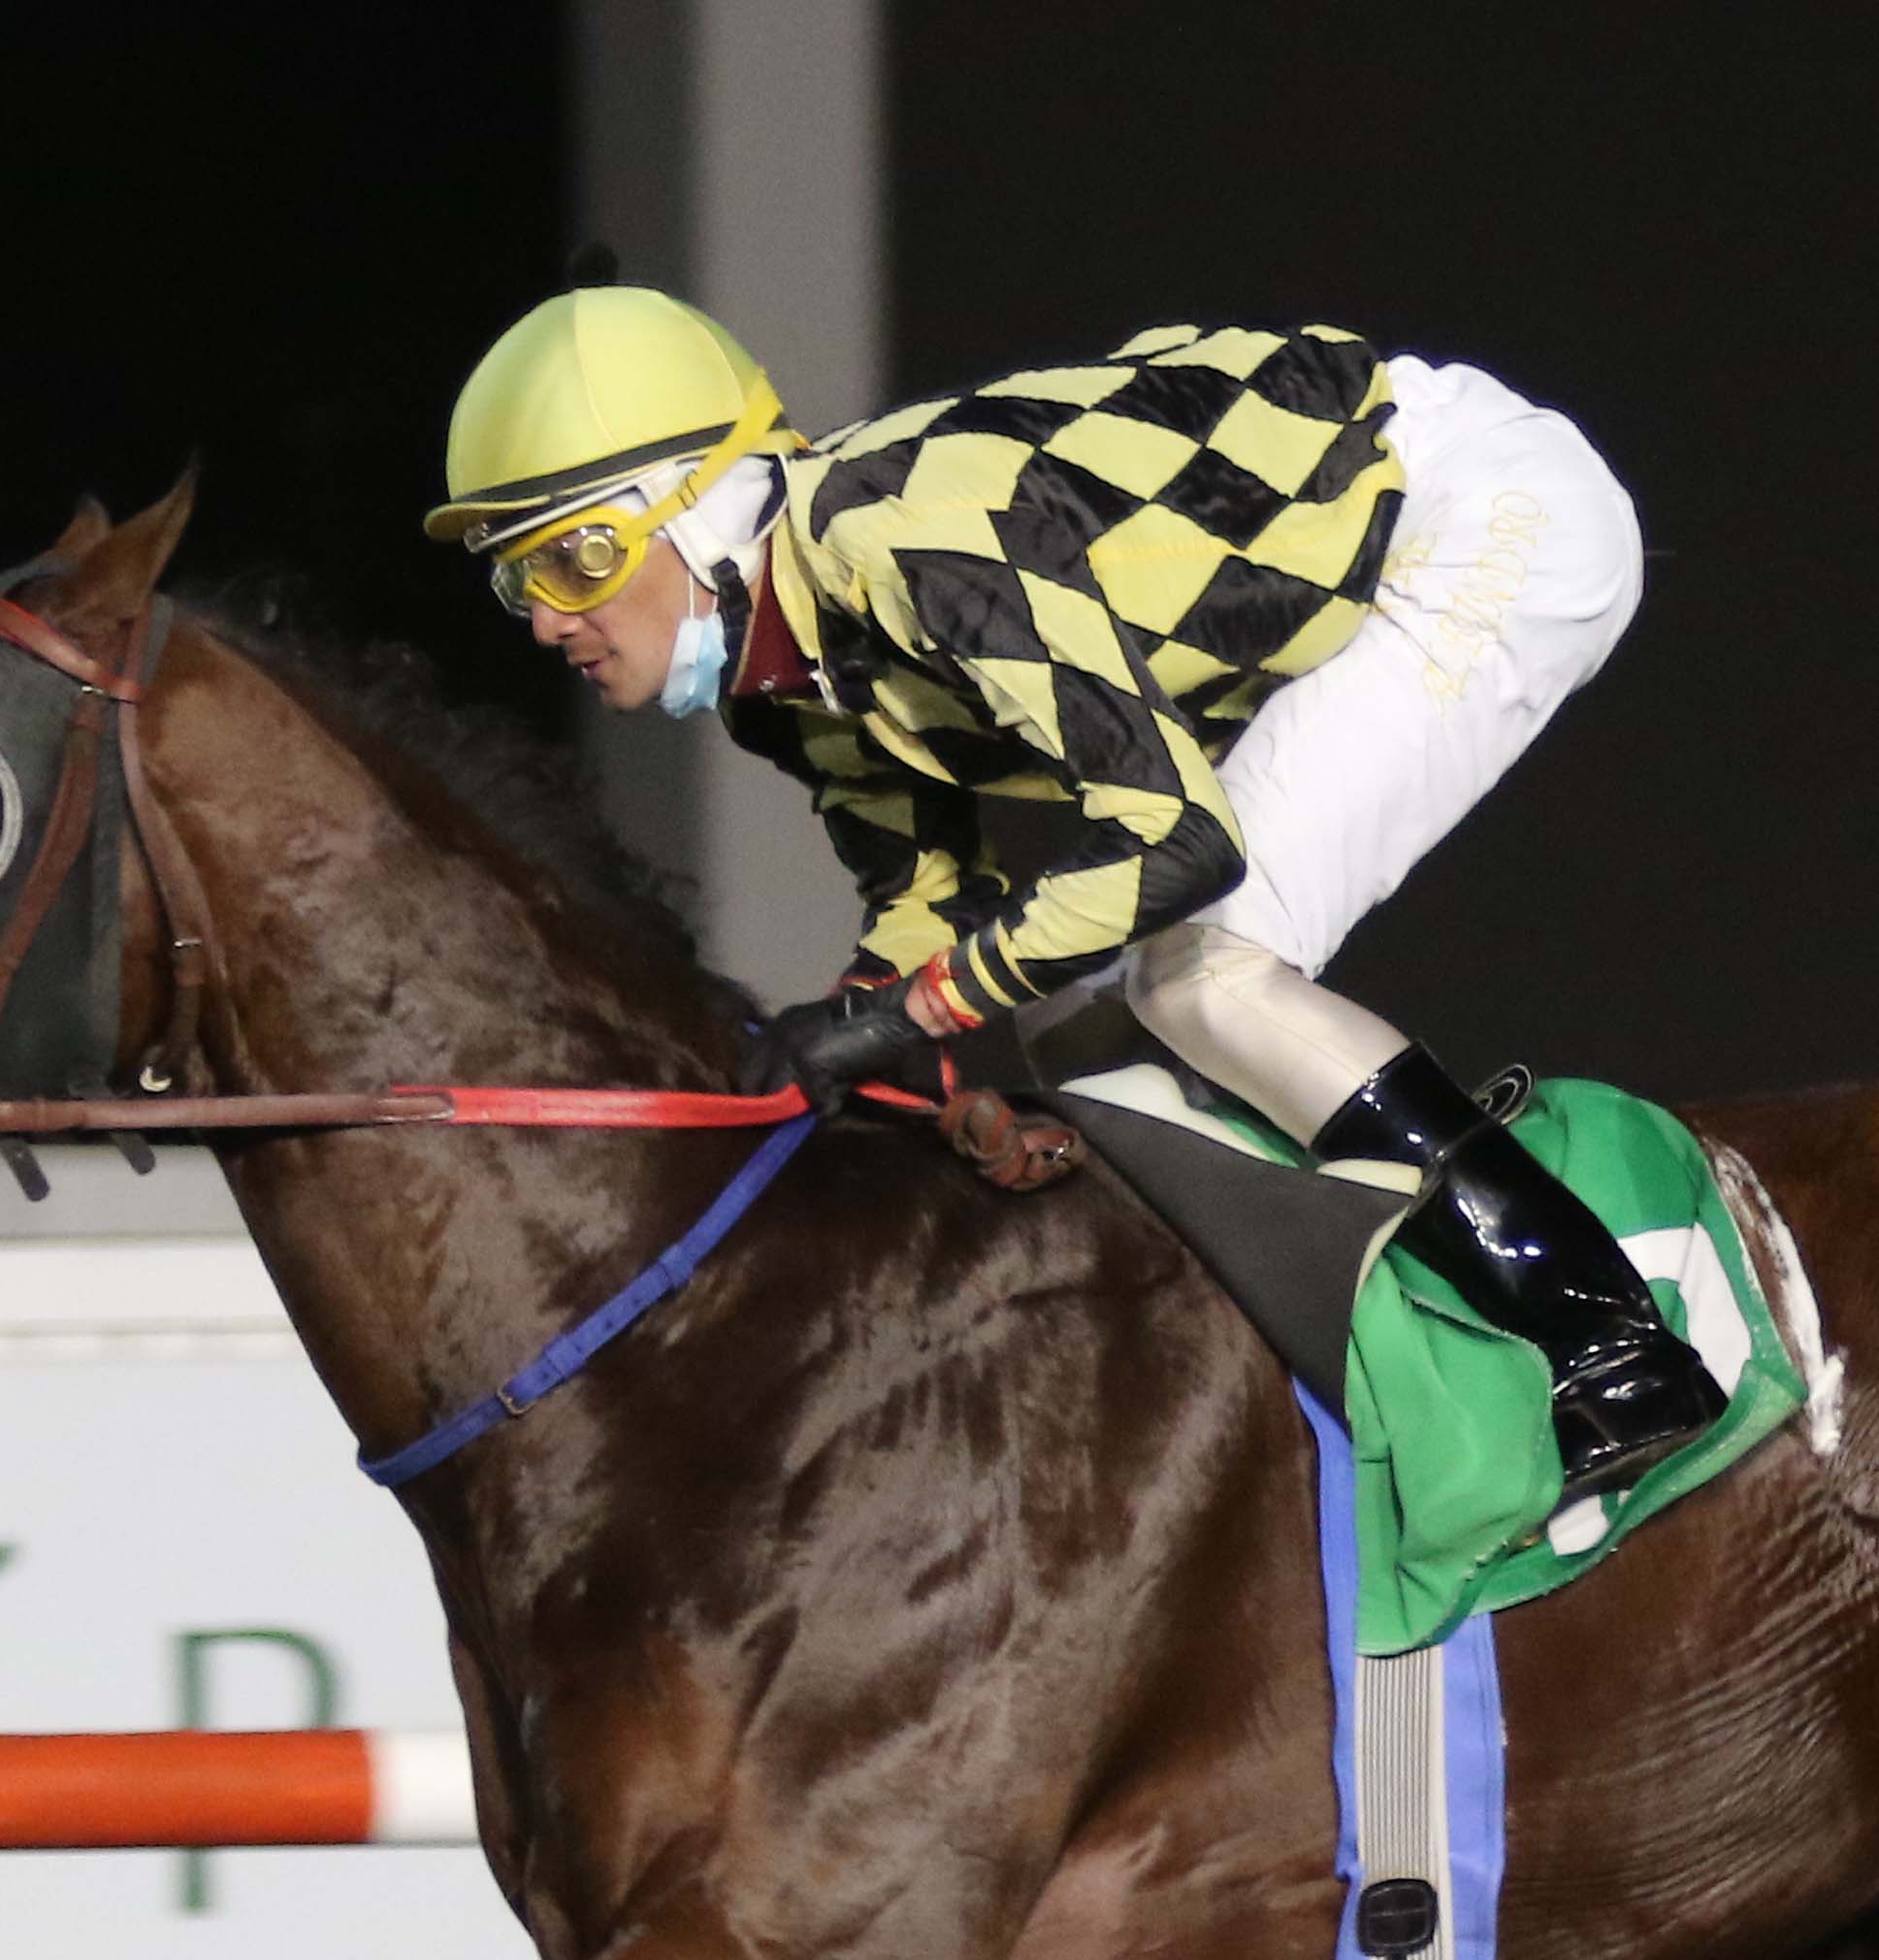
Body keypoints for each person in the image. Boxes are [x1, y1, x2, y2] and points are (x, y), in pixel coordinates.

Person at [427, 287, 1725, 1496]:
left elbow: (1176, 841)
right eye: (513, 577)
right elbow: (933, 898)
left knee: (1205, 974)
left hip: (1480, 513)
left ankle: (1611, 1342)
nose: (544, 620)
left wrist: (912, 1013)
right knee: (1075, 1024)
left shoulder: (906, 542)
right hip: (1351, 539)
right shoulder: (778, 682)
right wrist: (851, 1024)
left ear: (702, 516)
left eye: (576, 559)